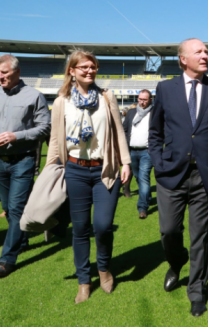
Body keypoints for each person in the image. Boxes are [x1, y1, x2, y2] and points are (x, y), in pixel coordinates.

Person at [148, 38, 208, 317]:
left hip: (206, 176)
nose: (206, 55)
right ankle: (176, 261)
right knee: (169, 231)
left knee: (201, 237)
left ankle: (196, 290)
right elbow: (156, 132)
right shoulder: (165, 88)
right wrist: (159, 163)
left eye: (207, 51)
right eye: (199, 51)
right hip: (171, 174)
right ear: (183, 59)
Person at [46, 50, 132, 304]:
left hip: (106, 170)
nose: (89, 70)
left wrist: (126, 162)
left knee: (103, 226)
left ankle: (104, 268)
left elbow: (118, 132)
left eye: (93, 67)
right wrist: (51, 170)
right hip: (75, 170)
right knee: (80, 228)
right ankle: (84, 280)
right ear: (71, 71)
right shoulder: (62, 101)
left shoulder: (107, 96)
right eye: (83, 67)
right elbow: (54, 139)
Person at [0, 54, 51, 278]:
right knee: (9, 209)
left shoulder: (34, 96)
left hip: (23, 161)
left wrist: (16, 136)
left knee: (17, 209)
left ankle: (6, 260)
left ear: (17, 72)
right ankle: (23, 238)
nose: (0, 77)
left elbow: (44, 127)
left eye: (5, 73)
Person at [123, 89, 154, 218]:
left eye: (144, 100)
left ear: (150, 100)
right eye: (140, 99)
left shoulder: (154, 113)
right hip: (132, 151)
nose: (141, 102)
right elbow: (124, 130)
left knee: (143, 177)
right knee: (137, 177)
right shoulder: (131, 113)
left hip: (147, 152)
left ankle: (142, 207)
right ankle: (147, 196)